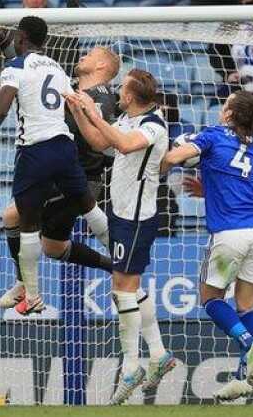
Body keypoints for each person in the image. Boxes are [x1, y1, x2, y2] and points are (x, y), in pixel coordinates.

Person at [0, 16, 112, 316]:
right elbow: (24, 62)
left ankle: (32, 294)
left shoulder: (15, 68)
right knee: (89, 208)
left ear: (23, 38)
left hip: (35, 151)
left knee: (24, 222)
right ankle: (121, 257)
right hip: (65, 149)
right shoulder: (57, 67)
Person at [66, 69, 175, 404]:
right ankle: (157, 354)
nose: (117, 91)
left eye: (121, 88)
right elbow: (102, 143)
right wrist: (79, 111)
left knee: (121, 290)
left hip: (138, 218)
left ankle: (131, 366)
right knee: (130, 289)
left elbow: (125, 145)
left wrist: (94, 113)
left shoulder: (152, 126)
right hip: (122, 213)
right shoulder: (129, 120)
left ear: (130, 96)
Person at [162, 91, 253, 401]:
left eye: (225, 105)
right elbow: (237, 186)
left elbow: (173, 158)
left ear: (228, 114)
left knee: (210, 299)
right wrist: (207, 189)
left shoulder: (213, 135)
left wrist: (160, 159)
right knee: (246, 305)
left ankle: (249, 343)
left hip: (229, 239)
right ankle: (243, 378)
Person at [0, 46, 119, 309]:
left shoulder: (101, 97)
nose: (83, 55)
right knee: (53, 247)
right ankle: (113, 266)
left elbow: (96, 144)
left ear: (102, 67)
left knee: (11, 216)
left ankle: (24, 286)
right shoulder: (71, 88)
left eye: (92, 53)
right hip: (60, 174)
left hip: (78, 178)